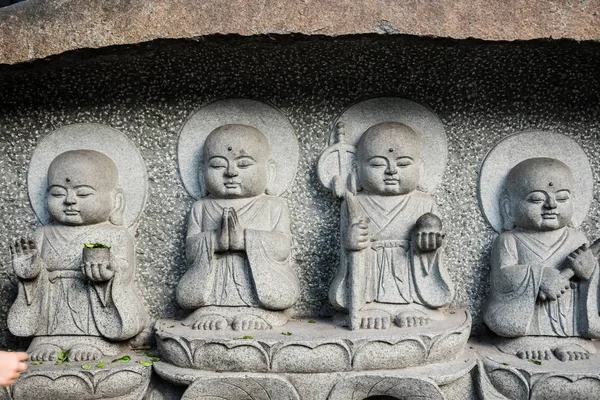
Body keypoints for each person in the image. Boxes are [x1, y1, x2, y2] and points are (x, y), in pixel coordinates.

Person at [8, 150, 148, 361]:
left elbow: (124, 272)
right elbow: (35, 275)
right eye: (57, 193)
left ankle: (93, 340)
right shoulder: (43, 234)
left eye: (83, 194)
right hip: (50, 310)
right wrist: (29, 273)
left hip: (95, 314)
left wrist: (107, 273)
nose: (69, 200)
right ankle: (48, 340)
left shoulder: (115, 234)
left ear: (116, 200)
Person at [329, 122, 454, 329]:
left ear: (420, 168)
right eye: (378, 164)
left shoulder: (425, 202)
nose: (391, 171)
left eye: (403, 164)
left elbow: (433, 246)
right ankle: (369, 307)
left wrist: (428, 243)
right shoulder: (354, 202)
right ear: (357, 168)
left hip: (412, 282)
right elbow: (346, 249)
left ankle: (415, 306)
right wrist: (351, 241)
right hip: (369, 276)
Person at [176, 124, 300, 330]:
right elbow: (190, 251)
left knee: (282, 295)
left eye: (243, 165)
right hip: (213, 282)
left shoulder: (273, 205)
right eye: (217, 165)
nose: (230, 172)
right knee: (186, 296)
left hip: (261, 283)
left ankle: (261, 313)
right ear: (202, 172)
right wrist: (214, 241)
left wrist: (245, 240)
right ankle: (212, 310)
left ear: (269, 171)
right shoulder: (201, 207)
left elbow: (283, 246)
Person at [484, 157, 600, 361]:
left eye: (562, 198)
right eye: (537, 200)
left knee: (570, 320)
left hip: (568, 316)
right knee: (520, 332)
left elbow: (589, 276)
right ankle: (527, 340)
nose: (551, 205)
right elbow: (502, 277)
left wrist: (588, 271)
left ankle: (570, 340)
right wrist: (539, 276)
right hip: (525, 316)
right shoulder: (509, 239)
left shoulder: (577, 238)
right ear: (508, 207)